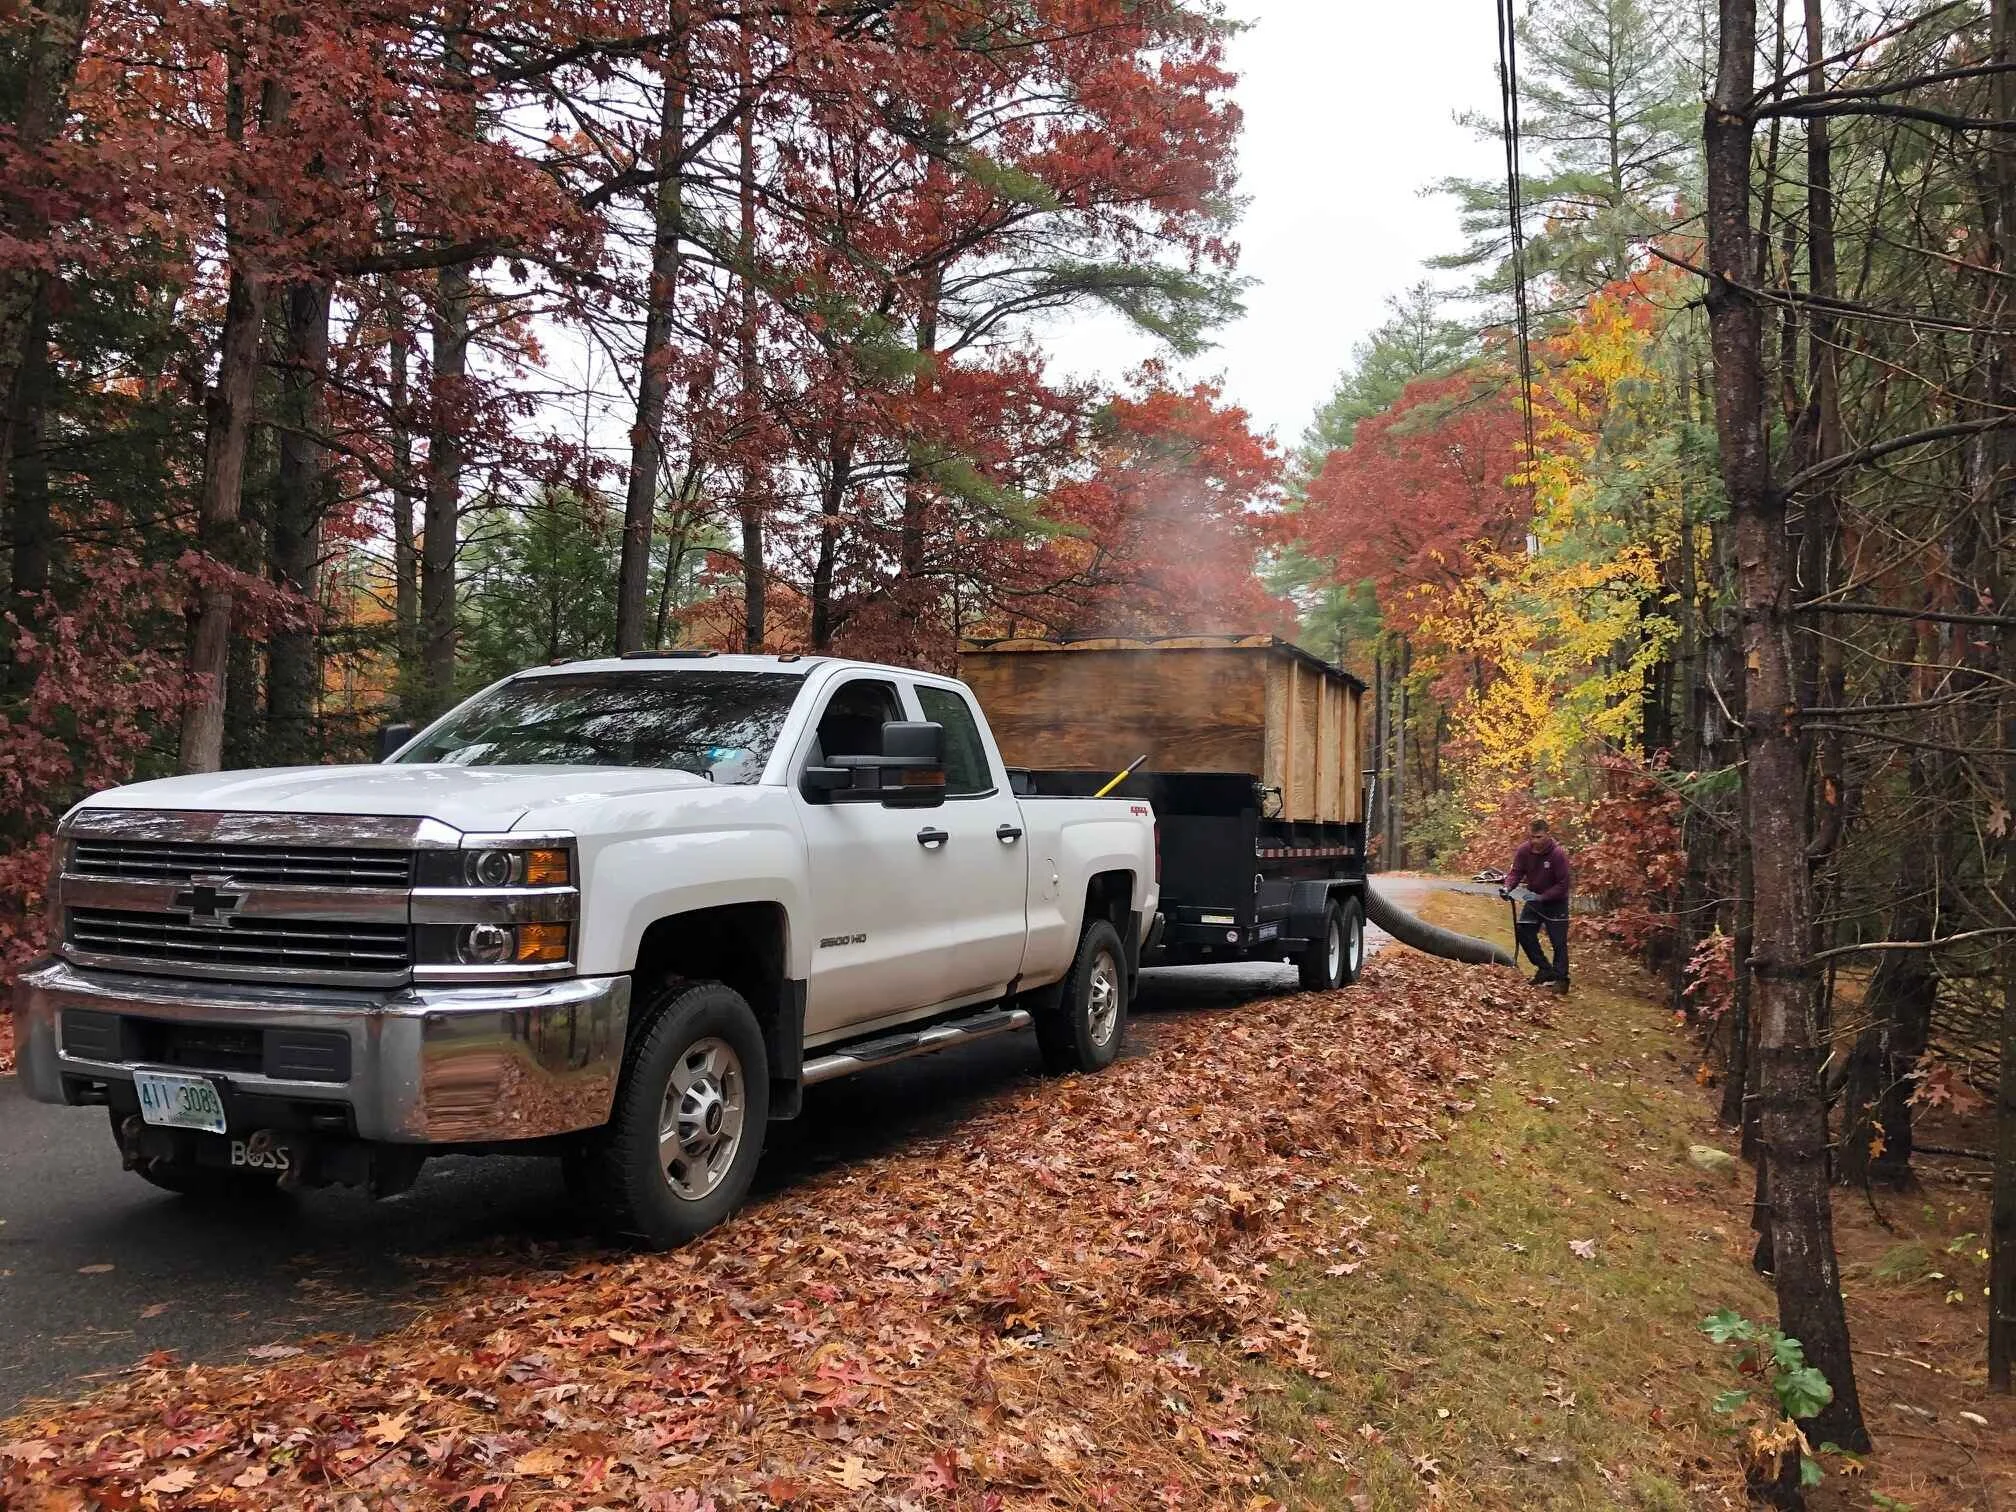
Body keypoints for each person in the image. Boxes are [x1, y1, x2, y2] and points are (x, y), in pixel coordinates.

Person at [1504, 818, 1571, 986]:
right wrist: (1507, 888)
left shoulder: (1557, 854)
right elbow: (1516, 872)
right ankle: (1544, 969)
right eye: (1532, 837)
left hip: (1556, 903)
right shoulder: (1524, 851)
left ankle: (1561, 979)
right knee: (1524, 930)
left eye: (1539, 837)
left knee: (1558, 942)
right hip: (1535, 900)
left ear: (1547, 835)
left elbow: (1563, 885)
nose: (1535, 841)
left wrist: (1542, 897)